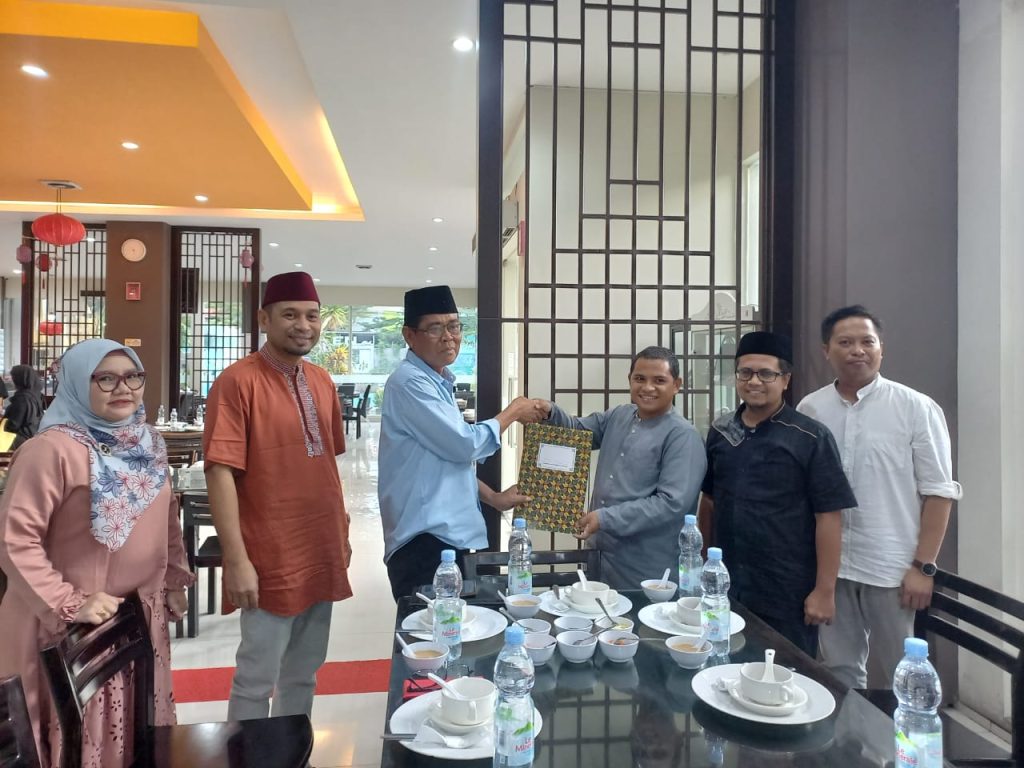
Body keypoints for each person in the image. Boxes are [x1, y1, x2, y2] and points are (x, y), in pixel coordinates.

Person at [0, 339, 192, 767]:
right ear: (73, 383)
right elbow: (15, 541)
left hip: (135, 617)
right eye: (104, 378)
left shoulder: (146, 442)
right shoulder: (50, 450)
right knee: (74, 740)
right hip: (66, 626)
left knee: (132, 739)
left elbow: (166, 516)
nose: (122, 388)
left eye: (133, 376)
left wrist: (174, 579)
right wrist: (69, 602)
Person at [203, 271, 352, 721]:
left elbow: (326, 466)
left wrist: (341, 532)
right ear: (264, 319)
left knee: (304, 673)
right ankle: (248, 752)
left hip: (320, 548)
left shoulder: (322, 381)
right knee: (256, 678)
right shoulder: (237, 381)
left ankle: (291, 750)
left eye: (311, 315)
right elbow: (220, 472)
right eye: (290, 315)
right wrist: (236, 559)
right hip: (269, 556)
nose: (303, 325)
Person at [797, 306, 962, 687]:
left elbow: (939, 493)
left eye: (867, 342)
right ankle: (851, 730)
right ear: (826, 350)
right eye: (845, 342)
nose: (857, 350)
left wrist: (924, 567)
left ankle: (901, 731)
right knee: (839, 672)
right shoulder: (811, 409)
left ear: (881, 349)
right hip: (831, 568)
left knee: (902, 676)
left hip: (892, 569)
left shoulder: (916, 408)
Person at [378, 285, 547, 600]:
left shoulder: (437, 381)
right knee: (432, 627)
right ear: (409, 335)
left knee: (455, 622)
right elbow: (463, 445)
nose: (448, 337)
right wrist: (514, 411)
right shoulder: (410, 382)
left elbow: (447, 459)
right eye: (435, 328)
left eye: (454, 326)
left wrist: (493, 498)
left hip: (445, 539)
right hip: (423, 542)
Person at [699, 332, 856, 656]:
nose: (754, 381)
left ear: (785, 379)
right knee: (723, 665)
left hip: (787, 589)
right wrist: (704, 564)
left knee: (785, 673)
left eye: (766, 374)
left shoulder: (810, 437)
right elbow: (709, 502)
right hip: (728, 584)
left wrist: (824, 590)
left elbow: (829, 516)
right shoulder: (721, 431)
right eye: (745, 372)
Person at [540, 346, 706, 589]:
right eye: (640, 379)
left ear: (676, 385)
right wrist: (549, 412)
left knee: (639, 613)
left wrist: (604, 518)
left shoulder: (683, 436)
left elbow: (671, 504)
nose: (647, 387)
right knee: (596, 608)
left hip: (646, 567)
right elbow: (577, 432)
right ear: (630, 380)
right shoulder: (619, 416)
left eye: (659, 380)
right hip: (599, 555)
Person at [4, 365, 44, 449]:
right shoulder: (34, 395)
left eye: (12, 377)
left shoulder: (22, 399)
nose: (10, 380)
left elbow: (13, 425)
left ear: (19, 379)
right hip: (32, 436)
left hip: (18, 440)